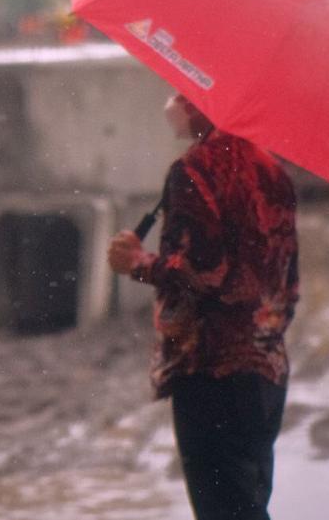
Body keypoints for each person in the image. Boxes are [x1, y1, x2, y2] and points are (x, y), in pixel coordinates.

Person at [108, 93, 299, 520]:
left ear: (201, 102)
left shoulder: (194, 170)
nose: (171, 102)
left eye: (179, 94)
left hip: (211, 371)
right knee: (247, 506)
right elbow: (289, 282)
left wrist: (138, 264)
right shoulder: (271, 170)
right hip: (266, 371)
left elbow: (204, 274)